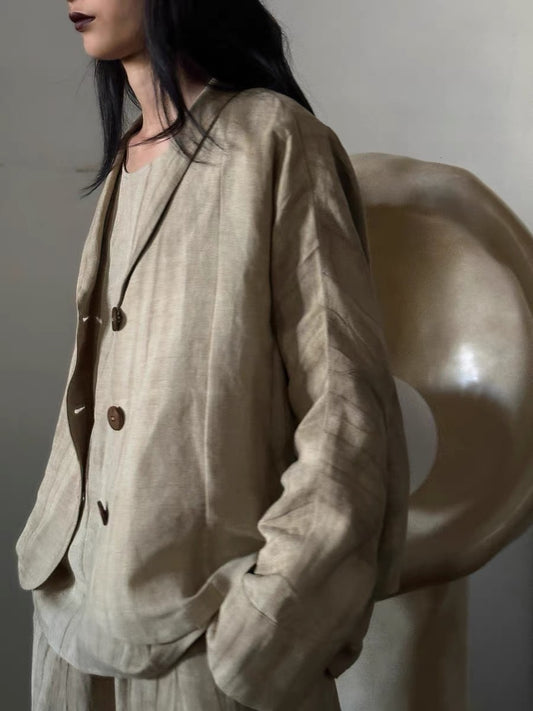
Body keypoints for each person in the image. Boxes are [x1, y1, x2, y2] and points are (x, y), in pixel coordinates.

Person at [15, 1, 411, 709]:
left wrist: (265, 626)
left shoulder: (273, 138)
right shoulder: (128, 157)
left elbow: (347, 413)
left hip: (205, 636)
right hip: (71, 616)